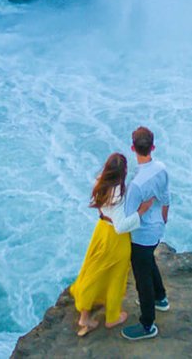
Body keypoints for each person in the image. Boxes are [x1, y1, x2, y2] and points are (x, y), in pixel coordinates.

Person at [68, 152, 155, 337]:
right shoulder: (118, 194)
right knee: (116, 277)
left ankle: (85, 315)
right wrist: (142, 211)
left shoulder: (100, 183)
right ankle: (112, 317)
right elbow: (121, 226)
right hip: (116, 239)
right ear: (122, 171)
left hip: (101, 231)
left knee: (94, 272)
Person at [121, 125, 170, 342]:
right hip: (158, 227)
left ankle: (147, 324)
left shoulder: (136, 184)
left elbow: (130, 218)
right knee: (149, 260)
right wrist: (163, 218)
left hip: (141, 235)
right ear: (153, 147)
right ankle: (160, 298)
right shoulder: (161, 168)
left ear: (133, 148)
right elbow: (166, 197)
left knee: (142, 278)